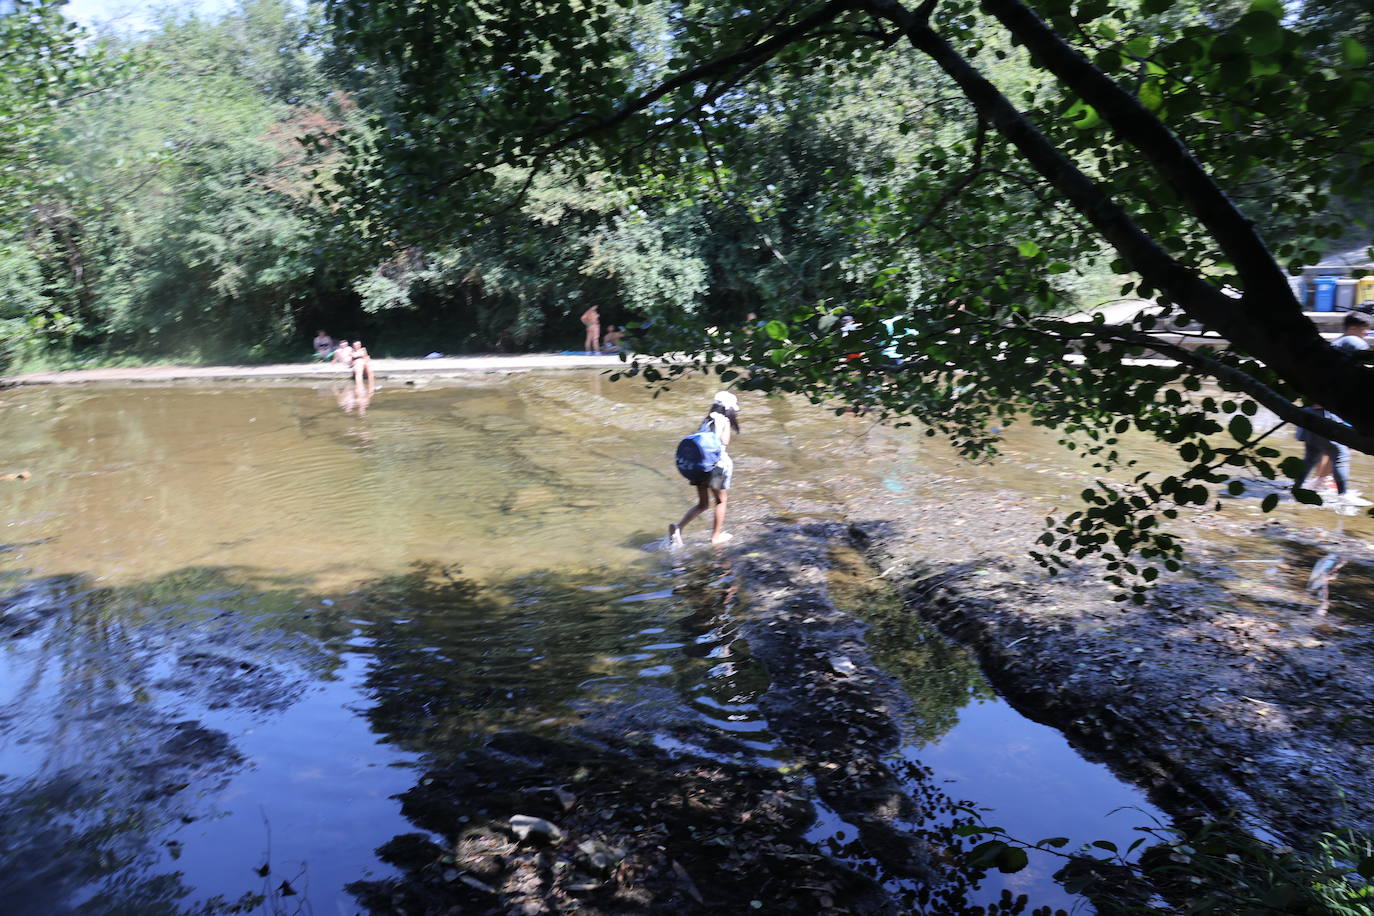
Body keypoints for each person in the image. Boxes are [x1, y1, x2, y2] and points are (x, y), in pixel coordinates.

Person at [669, 391, 740, 547]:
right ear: (729, 409)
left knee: (703, 504)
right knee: (721, 501)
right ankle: (716, 537)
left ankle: (678, 527)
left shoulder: (706, 421)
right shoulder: (724, 421)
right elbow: (725, 442)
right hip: (716, 467)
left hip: (700, 467)